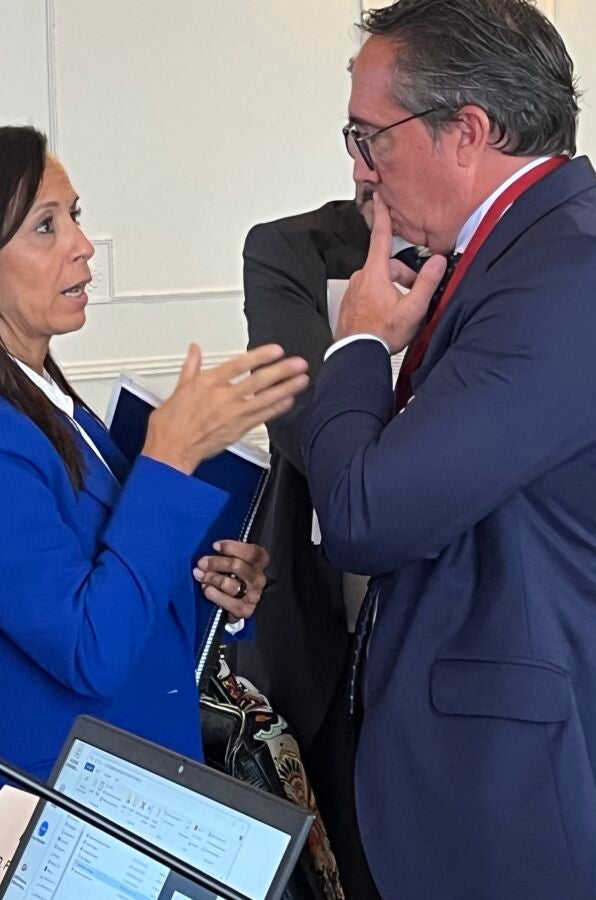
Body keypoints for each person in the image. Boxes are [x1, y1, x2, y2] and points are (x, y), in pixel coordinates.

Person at [303, 1, 596, 896]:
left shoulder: (567, 272)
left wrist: (358, 343)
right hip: (497, 776)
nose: (359, 168)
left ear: (468, 131)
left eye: (371, 137)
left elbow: (366, 515)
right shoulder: (522, 256)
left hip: (536, 791)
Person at [0, 126, 309, 823]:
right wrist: (168, 459)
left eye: (74, 216)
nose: (82, 244)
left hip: (132, 794)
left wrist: (215, 591)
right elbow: (87, 651)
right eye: (45, 226)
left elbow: (116, 595)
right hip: (50, 815)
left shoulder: (44, 402)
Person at [240, 187, 383, 899]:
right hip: (322, 631)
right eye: (359, 140)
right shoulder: (292, 249)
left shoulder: (504, 254)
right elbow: (302, 429)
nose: (366, 166)